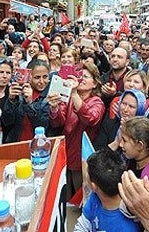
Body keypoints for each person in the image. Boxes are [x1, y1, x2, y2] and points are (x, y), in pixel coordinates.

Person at [48, 62, 105, 199]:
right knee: (64, 195)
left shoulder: (97, 102)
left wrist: (73, 93)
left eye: (86, 76)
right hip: (66, 152)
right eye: (79, 76)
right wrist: (54, 107)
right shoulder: (69, 98)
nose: (81, 79)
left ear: (95, 83)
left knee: (80, 197)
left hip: (82, 157)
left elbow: (90, 118)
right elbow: (58, 122)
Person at [73, 149, 140, 232]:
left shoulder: (127, 228)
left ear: (93, 186)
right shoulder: (95, 196)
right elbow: (82, 225)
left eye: (87, 173)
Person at [1, 59, 51, 142]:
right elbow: (6, 121)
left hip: (40, 146)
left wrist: (29, 103)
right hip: (16, 144)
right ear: (29, 76)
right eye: (37, 77)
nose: (42, 81)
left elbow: (43, 125)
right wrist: (11, 100)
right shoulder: (18, 92)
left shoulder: (51, 96)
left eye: (45, 77)